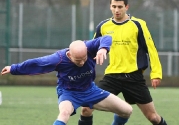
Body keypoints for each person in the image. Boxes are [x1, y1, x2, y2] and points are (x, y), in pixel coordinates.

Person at [79, 0, 167, 125]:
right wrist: (82, 67)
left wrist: (156, 73)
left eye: (120, 7)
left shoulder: (138, 24)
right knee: (86, 108)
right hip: (112, 77)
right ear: (110, 6)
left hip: (134, 78)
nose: (116, 10)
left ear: (127, 7)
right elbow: (91, 50)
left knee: (153, 117)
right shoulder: (103, 26)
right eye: (114, 6)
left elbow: (151, 49)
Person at [1, 36, 133, 125]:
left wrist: (103, 48)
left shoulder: (90, 47)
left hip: (90, 90)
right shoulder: (58, 59)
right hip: (68, 93)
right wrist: (13, 68)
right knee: (64, 113)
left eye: (84, 58)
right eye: (78, 60)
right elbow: (37, 63)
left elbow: (107, 37)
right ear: (69, 55)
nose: (82, 63)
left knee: (126, 110)